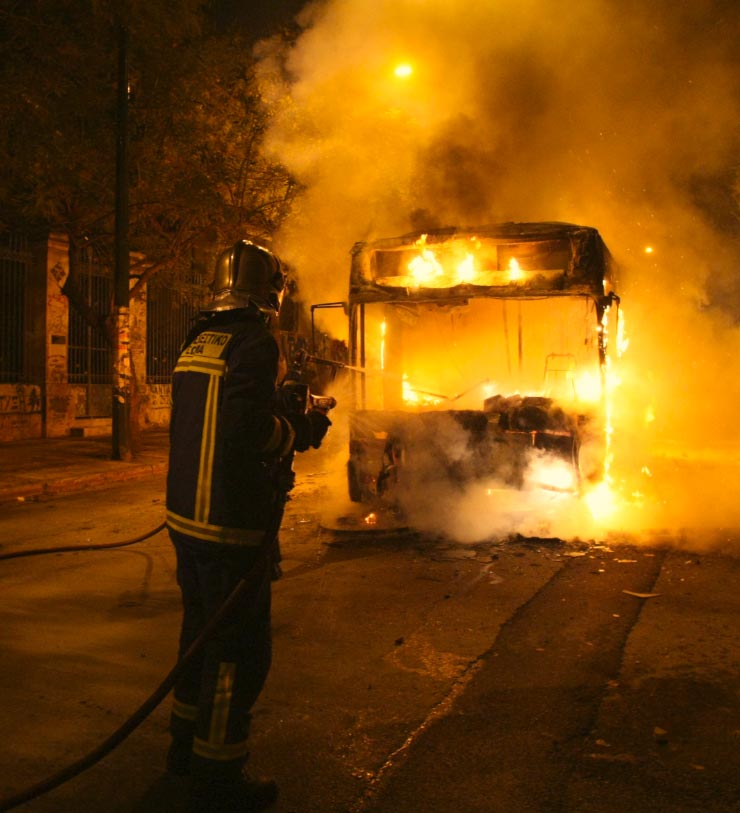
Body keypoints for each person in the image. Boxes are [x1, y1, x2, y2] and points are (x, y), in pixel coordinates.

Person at [165, 239, 331, 812]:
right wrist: (299, 428)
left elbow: (213, 413)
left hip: (185, 518)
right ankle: (219, 774)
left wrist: (281, 407)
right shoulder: (258, 342)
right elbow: (243, 429)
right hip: (229, 524)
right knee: (238, 651)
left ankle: (183, 749)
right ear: (271, 292)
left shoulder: (198, 339)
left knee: (197, 637)